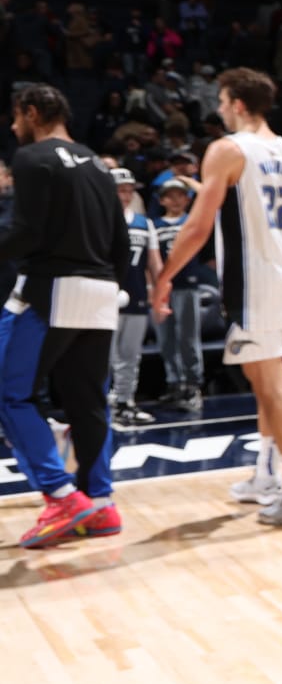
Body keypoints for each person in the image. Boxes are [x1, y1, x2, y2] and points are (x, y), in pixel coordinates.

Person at [151, 68, 282, 526]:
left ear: (239, 105)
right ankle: (266, 474)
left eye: (223, 101)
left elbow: (196, 226)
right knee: (262, 376)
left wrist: (165, 275)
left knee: (272, 384)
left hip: (257, 282)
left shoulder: (228, 150)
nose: (219, 109)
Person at [1, 85, 132, 548]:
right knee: (88, 401)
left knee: (9, 393)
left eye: (16, 118)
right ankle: (100, 503)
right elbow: (122, 240)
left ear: (32, 113)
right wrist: (109, 285)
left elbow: (26, 232)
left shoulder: (32, 158)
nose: (13, 128)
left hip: (53, 288)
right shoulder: (99, 163)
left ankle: (60, 495)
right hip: (100, 292)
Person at [108, 167, 161, 428]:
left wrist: (159, 291)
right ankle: (103, 404)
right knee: (105, 357)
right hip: (105, 297)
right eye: (121, 190)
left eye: (129, 190)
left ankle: (125, 402)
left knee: (131, 354)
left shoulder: (144, 222)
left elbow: (154, 262)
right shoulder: (99, 220)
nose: (126, 195)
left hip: (138, 294)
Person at [150, 178, 205, 411]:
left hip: (187, 285)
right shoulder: (154, 225)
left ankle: (193, 385)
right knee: (166, 338)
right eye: (170, 196)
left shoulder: (193, 221)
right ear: (161, 200)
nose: (175, 200)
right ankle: (174, 383)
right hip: (163, 287)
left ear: (187, 199)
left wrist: (187, 180)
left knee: (188, 337)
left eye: (180, 195)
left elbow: (207, 198)